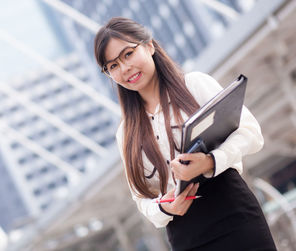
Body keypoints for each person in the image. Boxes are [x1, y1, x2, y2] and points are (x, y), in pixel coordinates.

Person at [94, 17, 276, 251]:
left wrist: (210, 161)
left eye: (128, 54)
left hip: (234, 214)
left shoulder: (194, 85)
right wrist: (164, 208)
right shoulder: (126, 133)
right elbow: (141, 199)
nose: (124, 68)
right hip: (186, 236)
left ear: (149, 45)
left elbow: (251, 134)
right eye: (113, 66)